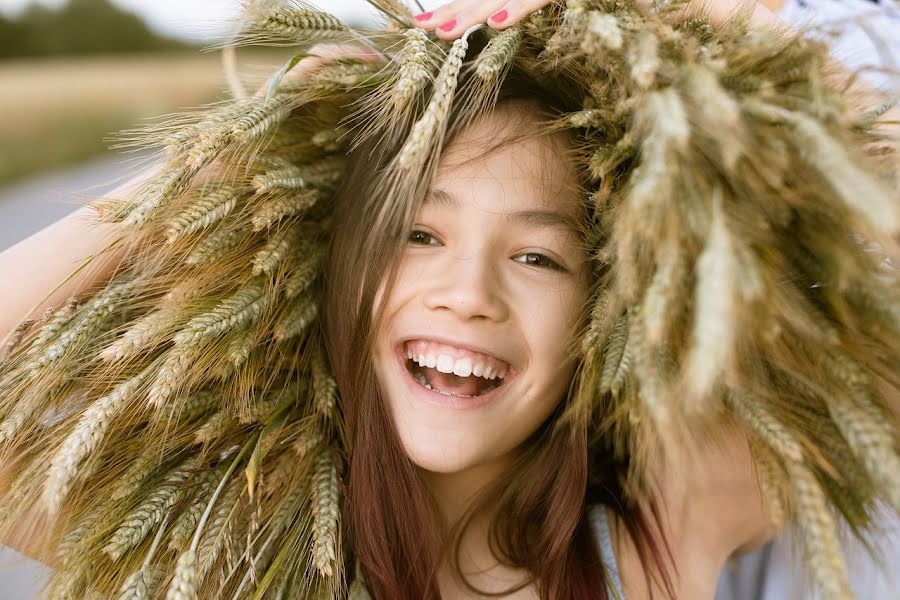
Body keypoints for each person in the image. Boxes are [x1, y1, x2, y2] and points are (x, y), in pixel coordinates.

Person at [0, 1, 897, 599]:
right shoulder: (234, 550)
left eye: (541, 257)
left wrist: (623, 14)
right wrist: (209, 170)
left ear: (607, 313)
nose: (469, 295)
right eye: (418, 235)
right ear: (341, 268)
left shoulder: (656, 531)